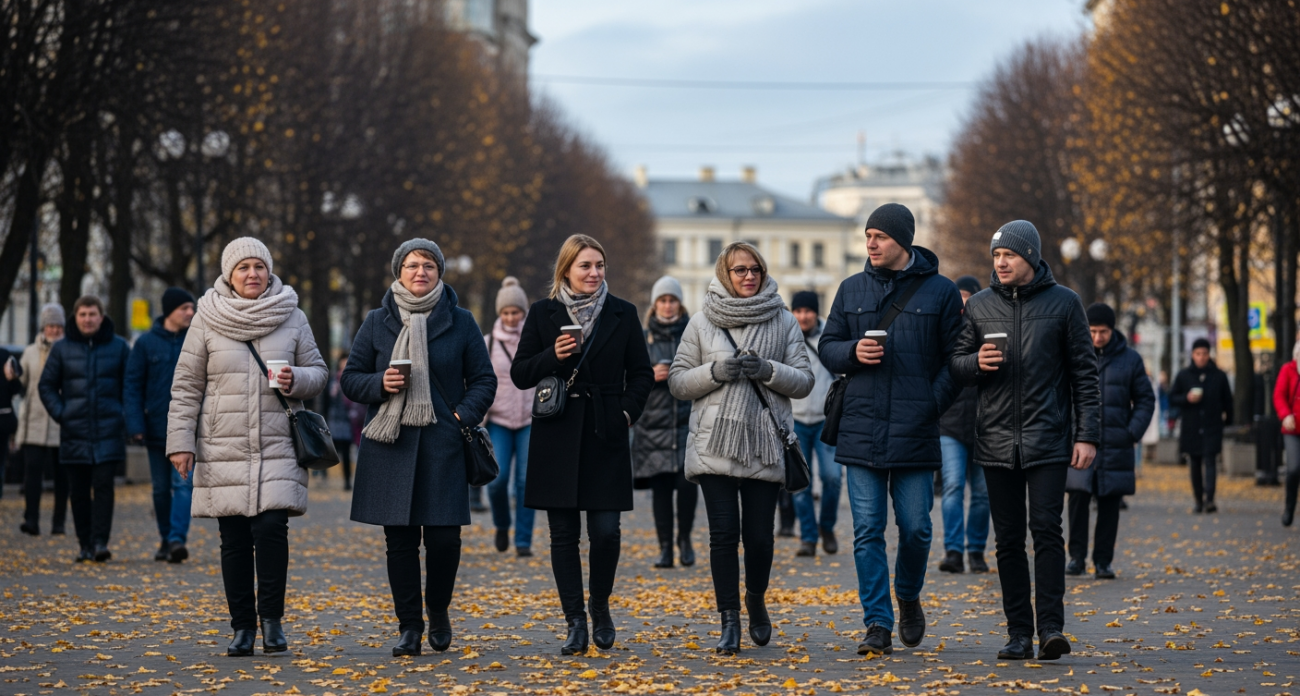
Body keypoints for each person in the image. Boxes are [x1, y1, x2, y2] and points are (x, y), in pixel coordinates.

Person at [167, 237, 328, 656]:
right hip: (224, 444)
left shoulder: (292, 314)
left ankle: (271, 621)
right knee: (234, 538)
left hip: (278, 443)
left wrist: (296, 378)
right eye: (243, 268)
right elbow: (186, 386)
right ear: (229, 274)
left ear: (269, 271)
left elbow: (319, 372)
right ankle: (242, 627)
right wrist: (181, 443)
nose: (252, 274)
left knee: (272, 530)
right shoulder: (206, 318)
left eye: (259, 266)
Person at [951, 220, 1100, 661]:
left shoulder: (1065, 303)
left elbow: (1085, 375)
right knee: (1009, 540)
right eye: (996, 256)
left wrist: (1087, 435)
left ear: (1030, 257)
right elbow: (956, 365)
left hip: (1048, 437)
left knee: (1047, 531)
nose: (1000, 263)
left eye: (1009, 256)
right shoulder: (979, 305)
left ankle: (1051, 628)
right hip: (996, 440)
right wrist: (975, 362)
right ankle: (1018, 633)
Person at [819, 204, 963, 655]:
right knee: (867, 530)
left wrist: (930, 404)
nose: (871, 244)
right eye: (868, 236)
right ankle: (877, 623)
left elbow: (955, 361)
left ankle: (908, 594)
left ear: (902, 239)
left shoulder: (940, 292)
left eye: (879, 236)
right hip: (860, 427)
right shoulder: (851, 288)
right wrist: (853, 353)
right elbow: (827, 346)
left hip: (915, 428)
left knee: (917, 528)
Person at [343, 239, 496, 657]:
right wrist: (380, 383)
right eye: (412, 265)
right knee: (400, 542)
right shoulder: (377, 321)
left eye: (428, 265)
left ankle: (438, 609)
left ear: (439, 272)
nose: (420, 272)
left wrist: (462, 415)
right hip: (391, 443)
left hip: (443, 442)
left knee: (445, 540)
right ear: (399, 272)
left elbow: (484, 379)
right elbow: (351, 378)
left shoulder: (461, 321)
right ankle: (409, 626)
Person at [511, 234, 654, 655]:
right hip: (557, 432)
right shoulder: (543, 313)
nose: (594, 273)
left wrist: (625, 413)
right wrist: (553, 356)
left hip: (605, 430)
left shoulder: (623, 312)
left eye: (599, 265)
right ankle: (574, 621)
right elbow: (520, 373)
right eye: (585, 266)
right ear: (566, 270)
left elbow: (641, 373)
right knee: (563, 535)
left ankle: (600, 605)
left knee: (606, 532)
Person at [669, 241, 814, 654]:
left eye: (755, 269)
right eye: (740, 270)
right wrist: (715, 371)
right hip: (713, 443)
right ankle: (729, 619)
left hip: (763, 444)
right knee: (723, 535)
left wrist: (768, 370)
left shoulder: (784, 320)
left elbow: (804, 381)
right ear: (724, 273)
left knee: (760, 538)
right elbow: (678, 382)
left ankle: (755, 598)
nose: (749, 276)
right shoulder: (702, 321)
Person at [39, 295, 131, 563]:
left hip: (108, 430)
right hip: (74, 431)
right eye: (83, 314)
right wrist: (61, 413)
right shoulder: (62, 348)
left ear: (101, 317)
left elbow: (131, 385)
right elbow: (46, 385)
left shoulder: (119, 347)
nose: (87, 319)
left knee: (103, 487)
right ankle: (84, 544)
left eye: (92, 314)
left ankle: (100, 542)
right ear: (75, 317)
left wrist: (122, 415)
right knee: (78, 491)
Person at [1066, 303, 1154, 579]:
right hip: (1079, 441)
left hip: (1116, 443)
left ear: (1112, 330)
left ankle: (1103, 561)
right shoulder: (1073, 354)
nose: (1097, 337)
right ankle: (1076, 558)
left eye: (1102, 331)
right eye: (1092, 331)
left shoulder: (1131, 360)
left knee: (1109, 505)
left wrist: (1131, 433)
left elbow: (1145, 399)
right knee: (1077, 500)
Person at [125, 287, 196, 563]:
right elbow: (132, 385)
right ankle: (166, 538)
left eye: (191, 308)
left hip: (188, 429)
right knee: (160, 488)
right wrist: (135, 425)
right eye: (184, 308)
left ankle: (177, 539)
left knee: (183, 485)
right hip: (156, 427)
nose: (190, 312)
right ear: (169, 311)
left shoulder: (196, 340)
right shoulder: (145, 344)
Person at [632, 276, 698, 569]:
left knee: (687, 486)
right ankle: (665, 548)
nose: (668, 306)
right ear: (654, 304)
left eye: (672, 300)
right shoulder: (642, 338)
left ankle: (684, 539)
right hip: (653, 426)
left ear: (679, 304)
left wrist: (679, 376)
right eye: (663, 300)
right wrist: (650, 375)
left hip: (687, 424)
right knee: (660, 490)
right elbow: (630, 378)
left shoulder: (693, 335)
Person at [937, 275, 990, 574]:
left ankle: (976, 551)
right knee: (953, 486)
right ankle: (954, 551)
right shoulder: (944, 333)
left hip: (985, 425)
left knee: (982, 493)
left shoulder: (991, 333)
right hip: (950, 424)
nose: (963, 306)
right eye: (959, 299)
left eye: (968, 299)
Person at [485, 277, 536, 557]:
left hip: (530, 420)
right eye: (505, 312)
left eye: (515, 312)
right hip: (499, 421)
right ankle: (502, 524)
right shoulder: (488, 343)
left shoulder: (535, 340)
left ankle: (523, 541)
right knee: (497, 480)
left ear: (523, 312)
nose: (511, 317)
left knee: (526, 483)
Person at [788, 290, 842, 558]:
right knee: (800, 483)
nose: (803, 316)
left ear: (815, 312)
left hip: (825, 421)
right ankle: (808, 537)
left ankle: (827, 527)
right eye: (798, 311)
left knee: (832, 478)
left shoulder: (829, 337)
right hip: (795, 421)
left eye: (807, 311)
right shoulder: (786, 338)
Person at [15, 304, 67, 536]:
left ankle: (59, 522)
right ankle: (31, 519)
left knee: (62, 476)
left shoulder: (68, 350)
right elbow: (22, 385)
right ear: (43, 327)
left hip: (61, 422)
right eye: (50, 326)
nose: (54, 330)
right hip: (34, 423)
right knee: (32, 473)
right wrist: (13, 377)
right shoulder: (29, 353)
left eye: (58, 326)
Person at [1169, 338, 1233, 513]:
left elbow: (1228, 401)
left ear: (1209, 354)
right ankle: (1198, 499)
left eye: (1204, 353)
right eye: (1198, 354)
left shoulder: (1219, 376)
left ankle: (1210, 499)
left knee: (1211, 460)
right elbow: (1173, 398)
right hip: (1191, 426)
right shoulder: (1184, 375)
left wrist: (1227, 421)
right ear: (1192, 355)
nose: (1201, 357)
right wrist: (1186, 398)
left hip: (1212, 425)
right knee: (1195, 462)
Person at [1273, 340, 1300, 527]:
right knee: (1293, 468)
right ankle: (1289, 506)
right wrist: (1285, 415)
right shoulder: (1287, 370)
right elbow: (1279, 395)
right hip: (1292, 429)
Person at [325, 354, 356, 491]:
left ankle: (347, 480)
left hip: (347, 420)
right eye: (343, 364)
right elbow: (326, 399)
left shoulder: (352, 380)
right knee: (331, 450)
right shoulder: (333, 381)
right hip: (334, 419)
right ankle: (323, 472)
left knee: (346, 452)